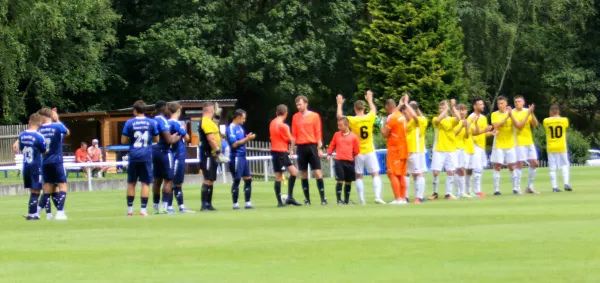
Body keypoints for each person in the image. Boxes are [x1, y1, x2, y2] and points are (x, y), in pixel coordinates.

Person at [336, 90, 384, 205]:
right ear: (363, 108)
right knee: (375, 174)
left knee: (359, 176)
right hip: (369, 149)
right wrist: (370, 100)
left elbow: (339, 117)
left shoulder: (353, 120)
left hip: (358, 151)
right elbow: (374, 110)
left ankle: (362, 200)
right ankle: (377, 196)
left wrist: (339, 104)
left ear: (355, 109)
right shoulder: (370, 117)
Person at [121, 100, 159, 216]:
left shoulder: (129, 123)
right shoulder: (151, 123)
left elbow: (123, 141)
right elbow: (157, 139)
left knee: (131, 182)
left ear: (135, 110)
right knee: (145, 183)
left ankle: (130, 210)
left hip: (134, 155)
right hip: (146, 155)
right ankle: (143, 210)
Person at [291, 95, 326, 205]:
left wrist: (319, 148)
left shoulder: (314, 116)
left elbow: (318, 133)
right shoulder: (295, 117)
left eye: (300, 104)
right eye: (297, 105)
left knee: (317, 172)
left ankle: (323, 199)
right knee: (303, 173)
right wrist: (291, 149)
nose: (298, 106)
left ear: (306, 104)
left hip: (312, 146)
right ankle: (307, 199)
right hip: (301, 147)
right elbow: (294, 135)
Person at [38, 108, 70, 220]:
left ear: (42, 117)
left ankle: (42, 213)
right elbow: (67, 132)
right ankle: (60, 212)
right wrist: (57, 120)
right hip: (57, 160)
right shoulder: (57, 126)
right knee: (63, 185)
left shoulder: (39, 129)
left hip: (45, 161)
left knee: (47, 188)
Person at [269, 104, 302, 207]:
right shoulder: (283, 126)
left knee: (294, 172)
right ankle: (280, 202)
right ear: (286, 113)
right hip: (280, 152)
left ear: (276, 112)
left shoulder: (272, 122)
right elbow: (290, 139)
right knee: (279, 176)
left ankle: (289, 198)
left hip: (276, 151)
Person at [428, 99, 460, 200]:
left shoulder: (451, 120)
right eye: (440, 107)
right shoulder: (435, 119)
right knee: (436, 172)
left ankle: (448, 193)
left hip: (450, 149)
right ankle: (435, 192)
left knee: (450, 171)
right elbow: (438, 120)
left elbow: (458, 118)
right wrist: (446, 109)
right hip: (439, 149)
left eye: (444, 107)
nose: (442, 109)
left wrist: (453, 107)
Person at [151, 101, 179, 214]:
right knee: (168, 179)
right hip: (164, 151)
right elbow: (169, 140)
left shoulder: (152, 120)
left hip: (153, 151)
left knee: (157, 180)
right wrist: (177, 137)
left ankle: (155, 207)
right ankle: (165, 207)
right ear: (164, 109)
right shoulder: (163, 121)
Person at [381, 94, 409, 204]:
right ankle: (402, 198)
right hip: (404, 148)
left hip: (395, 149)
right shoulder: (401, 115)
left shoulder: (392, 118)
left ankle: (398, 198)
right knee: (401, 174)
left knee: (392, 173)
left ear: (388, 107)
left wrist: (380, 123)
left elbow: (384, 133)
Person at [198, 102, 226, 211]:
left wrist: (217, 115)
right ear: (212, 110)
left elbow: (215, 123)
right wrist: (218, 152)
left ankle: (208, 204)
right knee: (207, 179)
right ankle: (204, 205)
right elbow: (211, 139)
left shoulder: (209, 122)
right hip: (208, 154)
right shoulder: (206, 122)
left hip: (211, 154)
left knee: (211, 179)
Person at [226, 109, 256, 210]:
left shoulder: (241, 128)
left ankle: (247, 202)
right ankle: (235, 204)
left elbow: (241, 141)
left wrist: (248, 137)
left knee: (248, 179)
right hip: (236, 157)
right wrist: (247, 139)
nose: (244, 120)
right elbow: (234, 144)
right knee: (237, 179)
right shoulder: (230, 128)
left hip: (243, 156)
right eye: (243, 118)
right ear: (238, 117)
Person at [19, 113, 47, 220]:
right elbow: (44, 151)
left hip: (26, 166)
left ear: (29, 122)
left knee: (32, 190)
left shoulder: (22, 135)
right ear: (40, 123)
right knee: (37, 191)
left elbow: (22, 149)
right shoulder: (39, 136)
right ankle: (32, 214)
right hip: (36, 166)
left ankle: (33, 213)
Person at [167, 102, 194, 213]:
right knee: (176, 182)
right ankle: (174, 206)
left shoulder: (166, 123)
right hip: (178, 154)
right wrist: (184, 129)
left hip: (171, 154)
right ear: (178, 110)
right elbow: (187, 138)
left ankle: (172, 205)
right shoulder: (176, 124)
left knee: (171, 181)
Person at [327, 117, 360, 205]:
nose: (338, 127)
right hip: (339, 161)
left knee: (348, 181)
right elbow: (332, 145)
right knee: (340, 180)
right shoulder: (336, 135)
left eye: (340, 125)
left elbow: (357, 150)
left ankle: (346, 200)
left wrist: (351, 156)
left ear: (346, 125)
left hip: (349, 161)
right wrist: (329, 154)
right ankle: (339, 200)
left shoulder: (353, 137)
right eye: (338, 125)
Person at [490, 96, 519, 195]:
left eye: (502, 103)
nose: (500, 105)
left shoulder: (512, 114)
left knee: (512, 166)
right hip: (499, 144)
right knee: (498, 166)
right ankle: (496, 190)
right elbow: (496, 125)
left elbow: (517, 125)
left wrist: (511, 115)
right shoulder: (494, 114)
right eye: (498, 104)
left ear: (506, 103)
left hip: (510, 144)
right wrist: (507, 116)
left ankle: (515, 188)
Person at [511, 95, 540, 194]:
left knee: (535, 163)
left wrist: (531, 113)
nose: (517, 103)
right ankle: (517, 188)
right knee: (519, 164)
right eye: (515, 102)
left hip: (529, 141)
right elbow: (519, 126)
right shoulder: (513, 113)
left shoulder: (527, 111)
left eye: (519, 101)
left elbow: (535, 125)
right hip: (518, 142)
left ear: (523, 102)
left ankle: (529, 186)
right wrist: (528, 113)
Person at [543, 105, 573, 192]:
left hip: (551, 146)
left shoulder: (546, 121)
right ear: (558, 112)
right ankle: (566, 184)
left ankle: (554, 187)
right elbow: (565, 126)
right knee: (564, 165)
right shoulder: (564, 120)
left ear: (550, 112)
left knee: (552, 168)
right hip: (561, 146)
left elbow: (546, 125)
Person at [468, 98, 494, 197]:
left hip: (481, 146)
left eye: (482, 104)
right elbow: (474, 132)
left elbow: (483, 133)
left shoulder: (483, 118)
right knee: (477, 168)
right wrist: (485, 130)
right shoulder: (471, 117)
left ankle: (474, 190)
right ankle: (476, 190)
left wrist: (491, 133)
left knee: (480, 167)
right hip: (474, 145)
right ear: (475, 106)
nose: (482, 106)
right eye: (480, 104)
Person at [405, 102, 428, 203]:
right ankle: (407, 197)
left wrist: (406, 103)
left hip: (417, 150)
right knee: (410, 174)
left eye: (407, 111)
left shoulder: (420, 120)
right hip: (409, 151)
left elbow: (415, 116)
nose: (405, 114)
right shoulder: (407, 122)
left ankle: (418, 197)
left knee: (418, 174)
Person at [453, 104, 471, 198]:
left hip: (462, 148)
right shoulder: (454, 121)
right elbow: (454, 134)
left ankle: (462, 191)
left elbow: (467, 136)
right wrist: (461, 127)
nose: (462, 112)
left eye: (463, 110)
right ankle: (457, 191)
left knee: (462, 169)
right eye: (460, 110)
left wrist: (466, 128)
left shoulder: (467, 121)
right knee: (455, 169)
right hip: (454, 148)